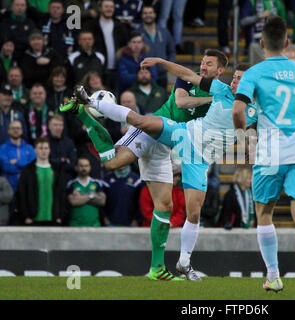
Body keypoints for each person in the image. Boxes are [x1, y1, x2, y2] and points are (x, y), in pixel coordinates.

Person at [62, 57, 258, 281]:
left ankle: (158, 268)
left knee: (167, 206)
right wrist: (161, 62)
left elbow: (226, 132)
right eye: (202, 62)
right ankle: (86, 108)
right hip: (161, 131)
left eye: (209, 64)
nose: (203, 66)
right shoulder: (209, 87)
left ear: (219, 69)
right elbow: (182, 100)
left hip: (176, 148)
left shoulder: (241, 103)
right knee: (113, 162)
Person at [232, 16, 295, 291]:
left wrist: (244, 139)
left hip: (269, 152)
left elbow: (238, 110)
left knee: (264, 214)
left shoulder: (254, 72)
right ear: (287, 43)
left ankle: (274, 276)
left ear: (262, 42)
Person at [16, 137, 68, 226]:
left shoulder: (57, 169)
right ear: (35, 150)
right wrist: (25, 216)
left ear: (49, 150)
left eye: (46, 148)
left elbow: (61, 193)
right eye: (40, 148)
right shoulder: (28, 170)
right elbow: (22, 194)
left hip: (53, 217)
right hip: (33, 218)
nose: (43, 151)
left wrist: (60, 215)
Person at [85, 0, 131, 91]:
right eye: (106, 6)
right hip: (99, 71)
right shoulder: (91, 25)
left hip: (117, 70)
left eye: (111, 7)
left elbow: (126, 45)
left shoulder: (120, 26)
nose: (109, 9)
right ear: (100, 8)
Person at [136, 4, 176, 90]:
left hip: (162, 74)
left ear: (155, 14)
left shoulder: (164, 31)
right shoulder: (137, 32)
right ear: (142, 15)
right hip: (145, 74)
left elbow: (172, 51)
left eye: (150, 13)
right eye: (145, 13)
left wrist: (168, 65)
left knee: (162, 100)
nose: (148, 15)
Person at [140, 162, 186, 228]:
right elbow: (147, 212)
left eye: (178, 176)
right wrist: (161, 223)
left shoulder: (178, 192)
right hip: (151, 228)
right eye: (175, 175)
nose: (178, 178)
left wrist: (172, 223)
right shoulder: (147, 190)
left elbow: (181, 212)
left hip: (173, 229)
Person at [66, 156, 107, 227]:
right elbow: (74, 202)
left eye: (86, 166)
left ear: (90, 167)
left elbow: (102, 201)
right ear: (76, 168)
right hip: (76, 225)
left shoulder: (97, 183)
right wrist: (92, 195)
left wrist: (81, 197)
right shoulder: (71, 184)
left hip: (94, 225)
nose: (84, 168)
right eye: (81, 166)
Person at [0, 121, 36, 193]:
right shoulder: (2, 149)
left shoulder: (29, 148)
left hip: (27, 187)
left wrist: (17, 162)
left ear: (22, 131)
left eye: (18, 128)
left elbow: (32, 166)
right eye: (13, 128)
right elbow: (6, 167)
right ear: (8, 131)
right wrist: (25, 164)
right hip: (9, 188)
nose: (16, 130)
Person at [48, 114, 77, 180]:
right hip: (50, 178)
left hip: (66, 179)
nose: (58, 127)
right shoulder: (45, 142)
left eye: (60, 125)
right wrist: (62, 160)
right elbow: (45, 162)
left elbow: (73, 164)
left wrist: (55, 161)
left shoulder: (69, 143)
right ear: (49, 126)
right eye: (55, 125)